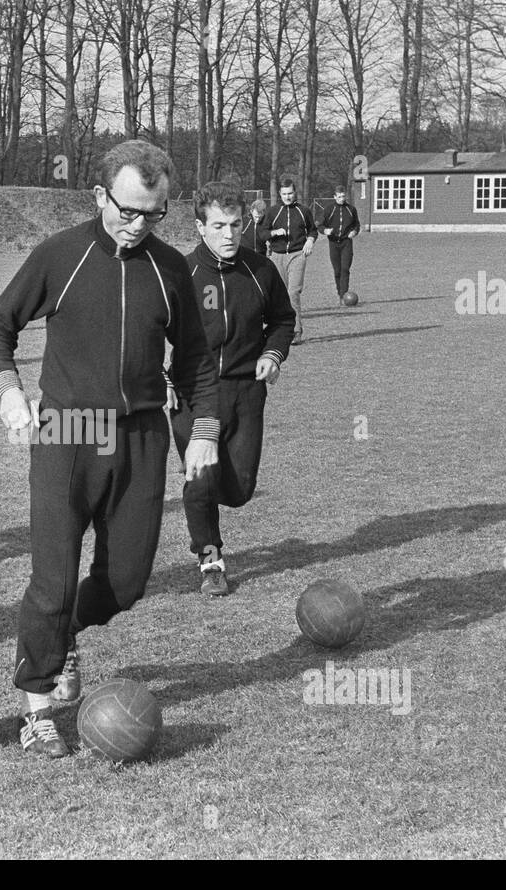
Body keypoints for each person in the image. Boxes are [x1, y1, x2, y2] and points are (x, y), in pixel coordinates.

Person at [0, 140, 220, 758]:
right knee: (54, 580)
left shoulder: (171, 270)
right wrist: (10, 393)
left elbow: (195, 360)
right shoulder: (62, 256)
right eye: (128, 210)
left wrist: (204, 433)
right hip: (68, 432)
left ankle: (58, 638)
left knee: (127, 582)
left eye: (154, 214)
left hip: (140, 436)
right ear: (99, 196)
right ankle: (36, 707)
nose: (138, 225)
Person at [175, 183, 295, 596]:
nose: (229, 235)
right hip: (193, 395)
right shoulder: (181, 275)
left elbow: (283, 320)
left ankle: (203, 493)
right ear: (200, 227)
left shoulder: (261, 271)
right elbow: (151, 332)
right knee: (202, 482)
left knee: (240, 489)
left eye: (236, 225)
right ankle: (211, 561)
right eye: (219, 226)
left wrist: (273, 354)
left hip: (246, 392)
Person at [262, 179, 317, 343]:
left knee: (293, 292)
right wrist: (274, 233)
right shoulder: (272, 212)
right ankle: (280, 331)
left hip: (297, 255)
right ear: (280, 194)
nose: (287, 197)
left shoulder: (304, 211)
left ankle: (296, 332)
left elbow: (313, 230)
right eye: (284, 194)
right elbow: (262, 233)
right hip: (277, 256)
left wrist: (310, 240)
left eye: (290, 193)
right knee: (279, 296)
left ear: (295, 193)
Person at [320, 185, 361, 302]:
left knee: (345, 269)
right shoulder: (329, 209)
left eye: (343, 196)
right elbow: (320, 225)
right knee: (337, 270)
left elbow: (356, 225)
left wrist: (354, 232)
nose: (342, 199)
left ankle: (344, 295)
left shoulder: (351, 209)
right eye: (339, 197)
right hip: (333, 243)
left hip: (346, 243)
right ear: (334, 197)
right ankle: (340, 292)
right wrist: (325, 231)